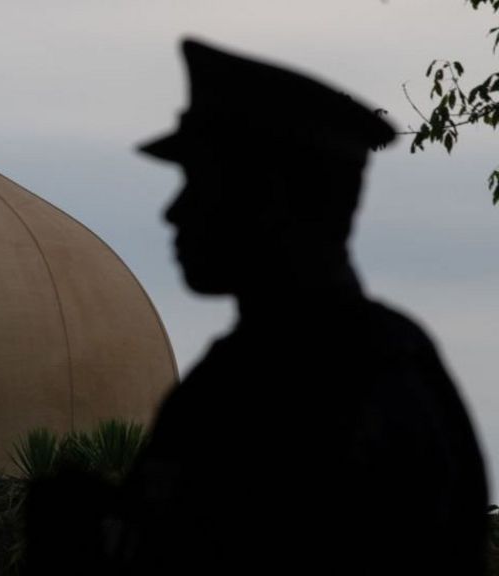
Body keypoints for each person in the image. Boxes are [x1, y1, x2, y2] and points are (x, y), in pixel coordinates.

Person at [25, 38, 489, 575]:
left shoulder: (333, 384)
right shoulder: (264, 374)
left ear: (271, 197)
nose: (175, 212)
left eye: (203, 183)